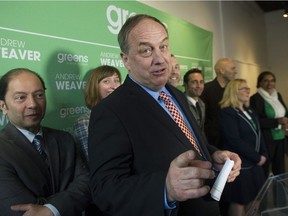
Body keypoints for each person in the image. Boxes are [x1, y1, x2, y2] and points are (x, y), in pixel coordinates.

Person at [88, 14, 241, 216]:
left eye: (163, 47)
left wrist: (213, 154)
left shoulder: (175, 93)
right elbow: (105, 190)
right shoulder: (110, 111)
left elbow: (187, 139)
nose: (159, 59)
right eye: (146, 50)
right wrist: (165, 188)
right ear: (125, 60)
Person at [0, 68, 90, 216]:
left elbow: (86, 184)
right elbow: (19, 209)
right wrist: (67, 199)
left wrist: (51, 210)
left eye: (39, 95)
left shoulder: (65, 139)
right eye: (21, 97)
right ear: (3, 106)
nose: (33, 104)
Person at [218, 79, 268, 216]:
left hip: (255, 165)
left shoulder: (250, 111)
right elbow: (234, 141)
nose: (248, 91)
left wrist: (264, 154)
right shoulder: (227, 113)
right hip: (241, 166)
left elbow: (259, 134)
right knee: (239, 202)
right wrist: (257, 157)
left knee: (256, 200)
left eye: (248, 88)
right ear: (234, 92)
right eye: (243, 88)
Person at [73, 65, 121, 164]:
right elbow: (94, 161)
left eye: (116, 80)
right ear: (95, 87)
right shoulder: (85, 122)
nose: (114, 86)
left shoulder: (126, 115)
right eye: (106, 81)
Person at [250, 71, 288, 176]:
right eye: (266, 81)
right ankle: (265, 192)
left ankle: (279, 192)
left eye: (272, 81)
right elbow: (256, 122)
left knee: (280, 170)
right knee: (264, 171)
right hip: (266, 140)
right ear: (260, 83)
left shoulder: (277, 95)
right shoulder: (255, 98)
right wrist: (277, 121)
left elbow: (285, 112)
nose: (269, 84)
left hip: (280, 138)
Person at [201, 57, 237, 149]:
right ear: (222, 70)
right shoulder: (206, 90)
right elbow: (203, 118)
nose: (235, 72)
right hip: (214, 142)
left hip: (233, 140)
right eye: (232, 68)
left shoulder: (234, 90)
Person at [183, 68, 205, 133]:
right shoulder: (181, 104)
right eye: (194, 82)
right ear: (185, 84)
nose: (198, 86)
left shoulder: (202, 104)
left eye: (201, 82)